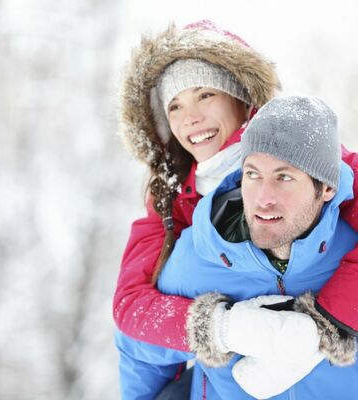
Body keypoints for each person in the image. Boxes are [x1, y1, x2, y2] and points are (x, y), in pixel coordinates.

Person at [116, 95, 358, 399]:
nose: (263, 197)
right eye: (253, 175)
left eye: (284, 177)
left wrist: (327, 326)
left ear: (327, 188)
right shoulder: (197, 257)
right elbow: (139, 349)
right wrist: (219, 327)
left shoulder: (348, 252)